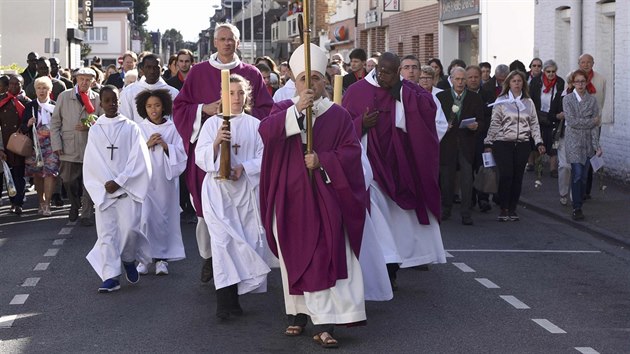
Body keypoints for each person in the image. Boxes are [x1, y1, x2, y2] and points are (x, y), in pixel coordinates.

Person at [260, 42, 367, 348]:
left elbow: (350, 152)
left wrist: (323, 160)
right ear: (295, 82)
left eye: (317, 78)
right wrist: (296, 112)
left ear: (325, 81)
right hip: (290, 197)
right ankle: (297, 314)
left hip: (326, 196)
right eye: (304, 78)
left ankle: (325, 321)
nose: (311, 84)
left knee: (322, 255)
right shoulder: (283, 109)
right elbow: (266, 133)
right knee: (294, 256)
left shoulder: (338, 114)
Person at [173, 22, 273, 284]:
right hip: (211, 151)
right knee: (207, 211)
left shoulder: (251, 73)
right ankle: (209, 257)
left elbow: (267, 110)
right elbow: (180, 107)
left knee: (244, 213)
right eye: (223, 39)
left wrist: (241, 114)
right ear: (215, 43)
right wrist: (204, 110)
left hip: (245, 151)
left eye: (232, 39)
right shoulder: (198, 72)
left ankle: (245, 266)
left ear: (238, 43)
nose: (228, 43)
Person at [342, 52, 446, 289]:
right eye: (380, 72)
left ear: (397, 72)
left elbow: (427, 111)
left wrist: (400, 94)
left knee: (399, 224)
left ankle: (394, 267)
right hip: (370, 170)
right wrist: (361, 124)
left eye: (389, 73)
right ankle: (384, 271)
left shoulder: (408, 91)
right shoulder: (357, 91)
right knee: (378, 224)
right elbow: (342, 127)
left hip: (400, 168)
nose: (383, 77)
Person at [196, 74, 271, 320]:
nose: (236, 98)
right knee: (222, 244)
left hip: (244, 193)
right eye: (231, 93)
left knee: (244, 241)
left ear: (247, 96)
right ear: (222, 96)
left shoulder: (254, 124)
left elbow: (264, 156)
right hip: (217, 193)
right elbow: (201, 157)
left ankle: (237, 294)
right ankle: (225, 302)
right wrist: (217, 142)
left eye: (241, 93)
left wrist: (245, 167)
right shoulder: (210, 125)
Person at [84, 85, 152, 293]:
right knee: (107, 234)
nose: (111, 104)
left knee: (130, 230)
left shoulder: (131, 127)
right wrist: (106, 184)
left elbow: (139, 159)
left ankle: (129, 259)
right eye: (107, 101)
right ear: (100, 104)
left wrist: (120, 181)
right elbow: (92, 161)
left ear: (119, 102)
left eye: (114, 100)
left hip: (127, 190)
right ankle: (111, 276)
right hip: (105, 192)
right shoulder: (96, 129)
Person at [135, 89, 187, 275]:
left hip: (166, 181)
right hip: (146, 182)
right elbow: (132, 156)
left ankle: (162, 259)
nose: (153, 109)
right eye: (149, 106)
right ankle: (144, 259)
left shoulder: (173, 128)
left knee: (164, 219)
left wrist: (167, 147)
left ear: (164, 106)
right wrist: (146, 145)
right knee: (145, 218)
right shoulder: (139, 128)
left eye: (157, 105)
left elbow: (181, 154)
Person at [484, 70, 545, 221]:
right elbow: (495, 123)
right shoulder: (501, 101)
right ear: (508, 83)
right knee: (506, 175)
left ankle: (513, 208)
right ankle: (503, 207)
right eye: (514, 81)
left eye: (519, 81)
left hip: (522, 144)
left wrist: (539, 142)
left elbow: (534, 124)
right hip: (503, 143)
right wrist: (488, 142)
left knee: (518, 177)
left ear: (523, 83)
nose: (517, 84)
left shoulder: (528, 102)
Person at [51, 67, 101, 225]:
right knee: (67, 180)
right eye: (82, 79)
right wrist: (56, 144)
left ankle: (86, 213)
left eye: (88, 80)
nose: (84, 82)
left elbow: (102, 122)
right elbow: (55, 123)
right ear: (76, 80)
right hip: (69, 145)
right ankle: (74, 204)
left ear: (93, 81)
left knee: (89, 182)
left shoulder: (97, 98)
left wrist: (90, 126)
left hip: (90, 146)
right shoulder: (64, 96)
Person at [436, 67, 484, 225]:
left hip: (466, 143)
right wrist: (443, 127)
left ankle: (466, 212)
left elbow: (482, 121)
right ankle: (446, 208)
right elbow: (433, 120)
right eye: (457, 79)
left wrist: (476, 126)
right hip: (447, 144)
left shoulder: (474, 98)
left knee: (466, 180)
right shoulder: (441, 97)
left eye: (463, 79)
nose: (461, 82)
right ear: (451, 79)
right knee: (446, 179)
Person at [562, 70, 601, 221]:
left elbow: (595, 127)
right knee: (577, 174)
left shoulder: (592, 100)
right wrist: (591, 121)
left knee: (584, 176)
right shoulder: (568, 100)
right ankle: (576, 207)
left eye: (582, 81)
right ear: (572, 83)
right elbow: (572, 122)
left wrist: (597, 145)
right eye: (577, 81)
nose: (580, 84)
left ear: (587, 83)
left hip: (588, 144)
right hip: (573, 142)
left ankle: (579, 201)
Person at [21, 76, 60, 216]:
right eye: (39, 88)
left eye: (44, 88)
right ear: (35, 90)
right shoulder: (30, 106)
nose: (41, 91)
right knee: (37, 174)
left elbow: (61, 125)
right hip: (35, 146)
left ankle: (47, 204)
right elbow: (22, 128)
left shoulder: (55, 105)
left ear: (50, 90)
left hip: (51, 145)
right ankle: (41, 201)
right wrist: (28, 123)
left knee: (50, 173)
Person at [577, 53, 606, 200]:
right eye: (583, 62)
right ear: (579, 64)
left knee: (591, 155)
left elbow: (602, 101)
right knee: (578, 157)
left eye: (589, 62)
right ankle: (577, 189)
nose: (586, 64)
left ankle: (586, 190)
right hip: (577, 126)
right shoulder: (573, 77)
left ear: (593, 63)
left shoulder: (600, 79)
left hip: (594, 125)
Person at [0, 75, 31, 215]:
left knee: (19, 174)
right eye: (11, 84)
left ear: (22, 85)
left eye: (17, 84)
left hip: (19, 144)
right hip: (4, 142)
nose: (14, 87)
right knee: (7, 175)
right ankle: (11, 200)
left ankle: (18, 203)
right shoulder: (1, 100)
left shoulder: (26, 102)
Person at [530, 59, 565, 178]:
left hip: (552, 114)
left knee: (553, 140)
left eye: (553, 71)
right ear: (544, 71)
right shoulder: (536, 81)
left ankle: (553, 169)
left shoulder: (560, 82)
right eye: (548, 71)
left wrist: (558, 113)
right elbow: (531, 97)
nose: (550, 74)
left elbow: (562, 97)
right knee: (539, 141)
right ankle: (538, 166)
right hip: (538, 114)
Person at [120, 54, 179, 123]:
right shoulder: (129, 92)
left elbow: (176, 122)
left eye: (156, 68)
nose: (152, 71)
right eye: (148, 67)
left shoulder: (173, 92)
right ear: (142, 69)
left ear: (162, 70)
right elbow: (125, 121)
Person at [415, 65, 448, 141]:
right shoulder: (413, 93)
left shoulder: (441, 94)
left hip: (439, 132)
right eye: (422, 78)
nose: (425, 80)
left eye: (428, 78)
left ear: (433, 79)